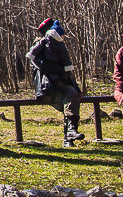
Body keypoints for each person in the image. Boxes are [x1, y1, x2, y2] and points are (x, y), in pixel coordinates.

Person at [28, 18, 85, 147]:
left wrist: (76, 87)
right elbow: (43, 66)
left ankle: (70, 136)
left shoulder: (57, 46)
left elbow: (67, 71)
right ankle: (69, 137)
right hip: (47, 87)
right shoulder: (39, 48)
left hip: (60, 86)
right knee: (69, 101)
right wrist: (61, 68)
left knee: (71, 96)